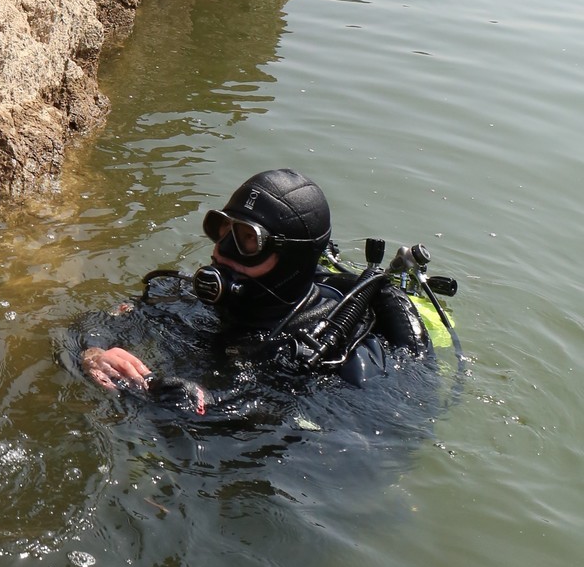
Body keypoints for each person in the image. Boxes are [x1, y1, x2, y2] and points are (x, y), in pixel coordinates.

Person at [74, 168, 447, 420]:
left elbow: (374, 443)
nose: (223, 252)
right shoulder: (182, 297)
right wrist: (95, 353)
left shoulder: (342, 356)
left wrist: (217, 409)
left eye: (247, 240)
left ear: (291, 259)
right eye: (222, 230)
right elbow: (91, 325)